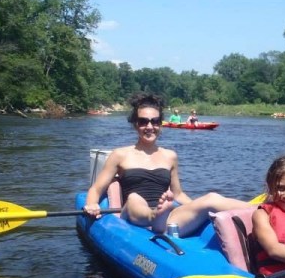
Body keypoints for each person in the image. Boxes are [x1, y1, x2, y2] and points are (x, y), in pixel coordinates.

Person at [83, 93, 250, 236]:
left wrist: (196, 207)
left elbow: (178, 195)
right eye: (143, 121)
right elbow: (96, 189)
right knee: (135, 198)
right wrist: (91, 203)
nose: (150, 126)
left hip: (167, 216)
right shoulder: (120, 154)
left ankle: (262, 208)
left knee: (211, 198)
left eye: (155, 121)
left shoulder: (170, 156)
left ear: (160, 124)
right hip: (133, 214)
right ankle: (154, 215)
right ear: (135, 124)